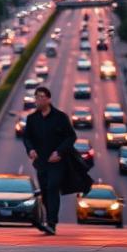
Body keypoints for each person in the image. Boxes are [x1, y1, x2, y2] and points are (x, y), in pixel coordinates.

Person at [22, 85, 76, 235]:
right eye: (36, 97)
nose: (38, 100)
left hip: (57, 161)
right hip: (41, 163)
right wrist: (30, 149)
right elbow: (26, 137)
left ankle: (52, 223)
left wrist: (59, 151)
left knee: (53, 188)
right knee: (45, 191)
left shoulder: (60, 117)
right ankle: (48, 221)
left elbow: (71, 137)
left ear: (48, 99)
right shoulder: (32, 119)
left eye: (41, 97)